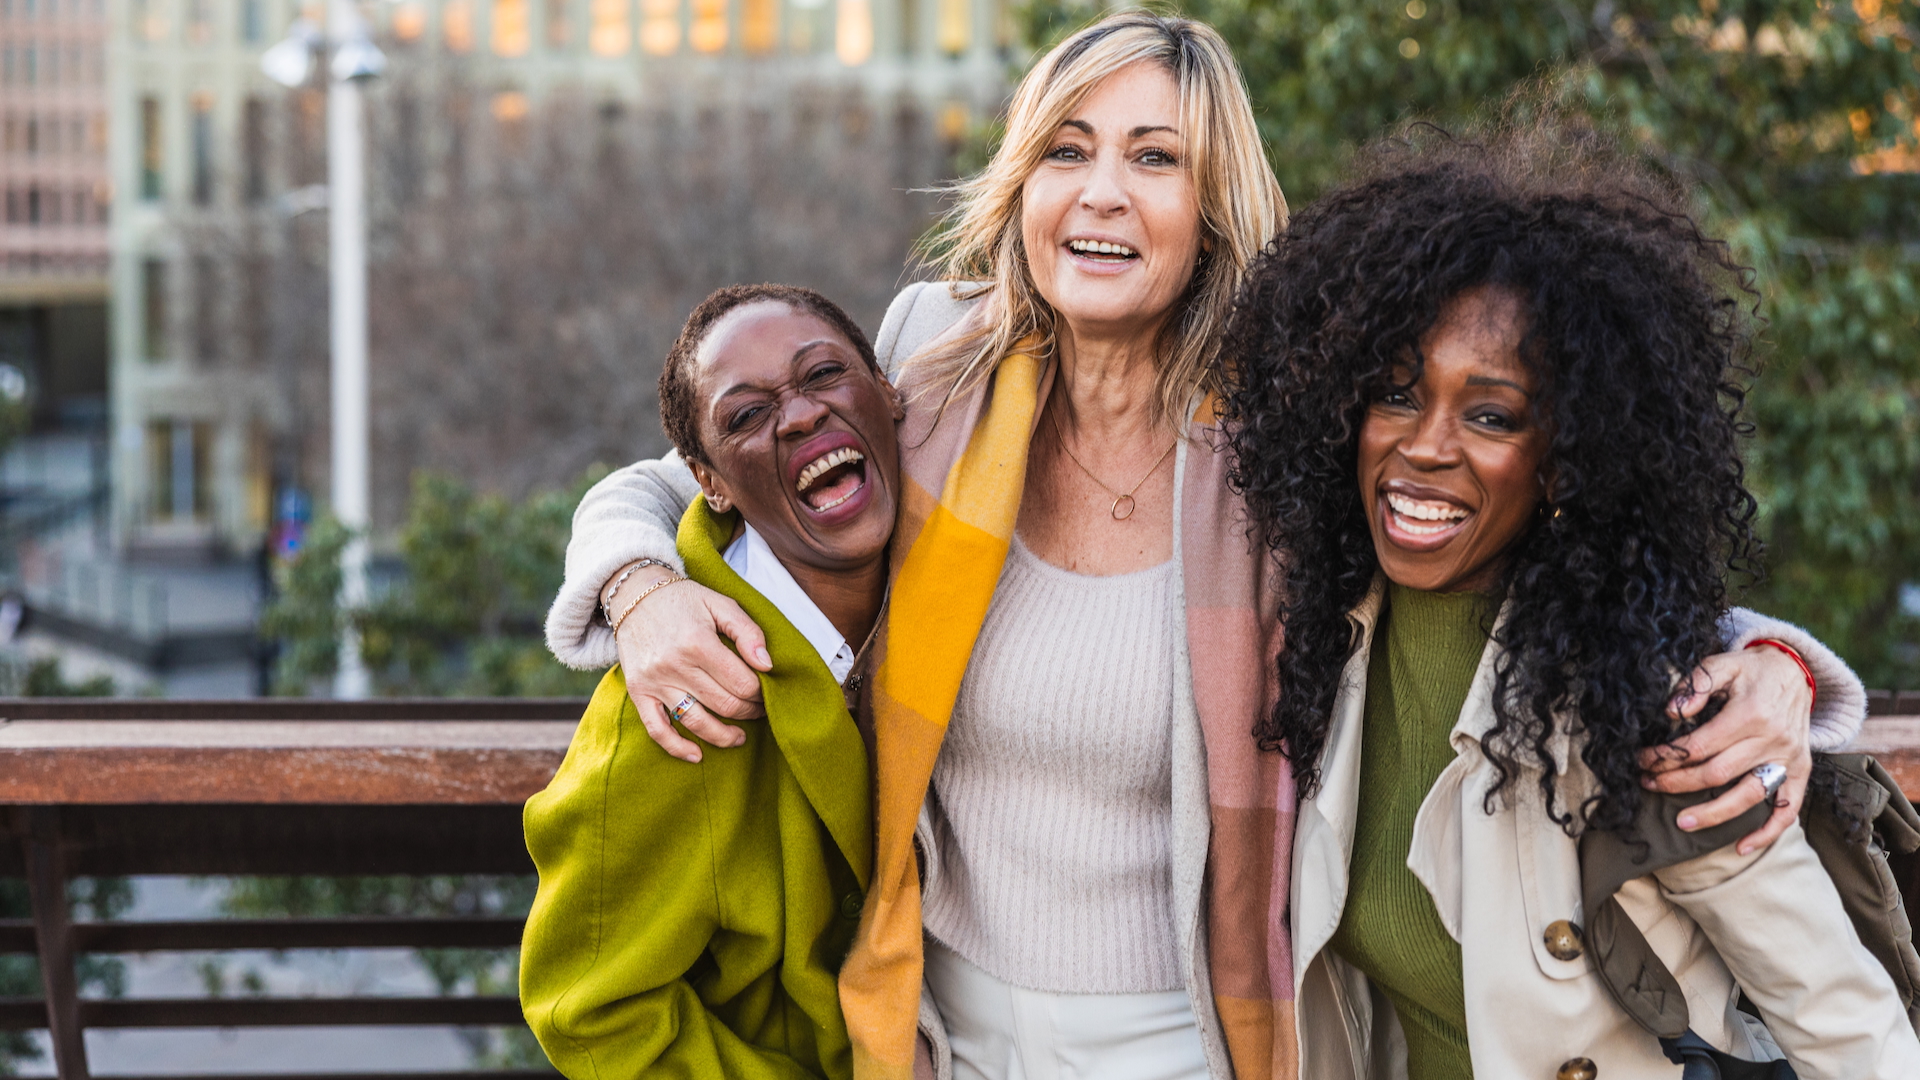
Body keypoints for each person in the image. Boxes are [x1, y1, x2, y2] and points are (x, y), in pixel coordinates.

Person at [542, 14, 1856, 1080]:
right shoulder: (926, 367)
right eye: (1067, 150)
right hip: (931, 1032)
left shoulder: (1293, 430)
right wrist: (639, 586)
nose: (1102, 194)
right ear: (1022, 186)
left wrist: (1773, 666)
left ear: (1214, 204)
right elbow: (679, 479)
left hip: (1189, 1042)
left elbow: (1519, 551)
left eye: (1155, 159)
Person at [1219, 125, 1914, 1078]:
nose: (1425, 446)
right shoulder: (1314, 634)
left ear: (1566, 460)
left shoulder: (1650, 702)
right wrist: (1786, 659)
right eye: (1394, 396)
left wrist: (1775, 671)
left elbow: (1846, 1024)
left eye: (1492, 415)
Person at [520, 284, 903, 1079]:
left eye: (824, 374)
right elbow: (588, 1007)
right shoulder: (675, 707)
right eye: (746, 415)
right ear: (709, 482)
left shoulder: (949, 576)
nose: (798, 416)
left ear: (890, 392)